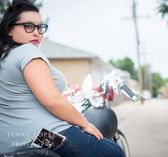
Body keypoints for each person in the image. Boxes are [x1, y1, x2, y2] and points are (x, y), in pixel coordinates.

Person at [0, 0, 124, 157]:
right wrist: (85, 124)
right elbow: (52, 100)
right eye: (29, 26)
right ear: (9, 29)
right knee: (114, 152)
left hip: (8, 141)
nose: (37, 32)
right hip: (43, 135)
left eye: (40, 27)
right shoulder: (27, 52)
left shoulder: (5, 55)